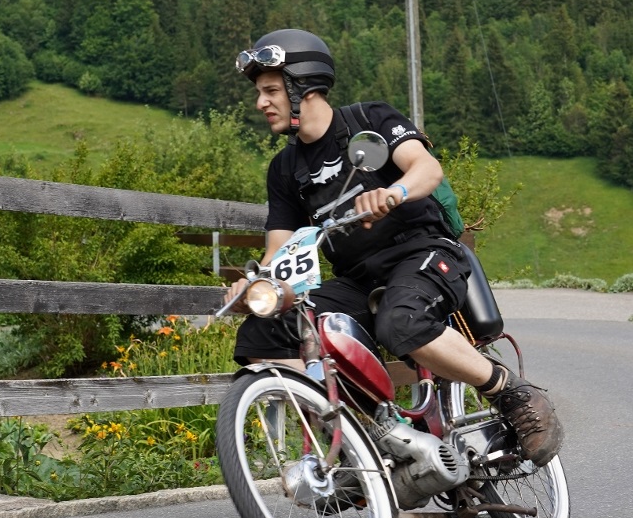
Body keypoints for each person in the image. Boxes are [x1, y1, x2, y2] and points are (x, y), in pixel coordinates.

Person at [225, 28, 563, 466]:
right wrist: (253, 288)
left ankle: (511, 392)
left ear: (303, 86)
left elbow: (426, 168)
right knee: (265, 331)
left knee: (399, 323)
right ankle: (360, 441)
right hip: (357, 278)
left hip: (423, 252)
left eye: (271, 90)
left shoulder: (369, 120)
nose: (261, 103)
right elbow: (279, 251)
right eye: (259, 92)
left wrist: (394, 194)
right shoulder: (286, 169)